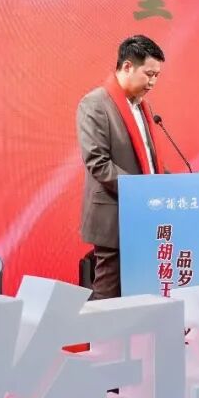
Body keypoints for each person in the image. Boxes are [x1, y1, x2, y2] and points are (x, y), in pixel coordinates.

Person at [77, 35, 166, 299]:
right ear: (127, 66)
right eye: (149, 74)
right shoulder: (95, 104)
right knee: (108, 296)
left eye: (157, 76)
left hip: (143, 214)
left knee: (140, 295)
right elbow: (97, 162)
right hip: (114, 217)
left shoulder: (142, 108)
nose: (153, 82)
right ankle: (98, 330)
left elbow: (148, 164)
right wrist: (140, 191)